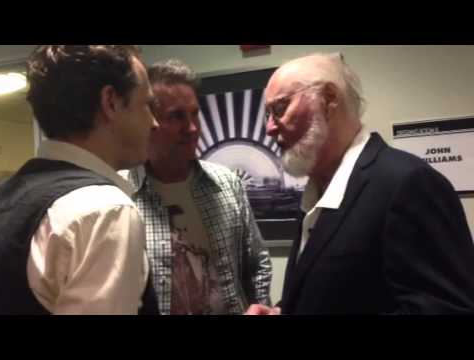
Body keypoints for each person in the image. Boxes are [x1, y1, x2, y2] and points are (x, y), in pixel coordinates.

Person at [247, 52, 474, 314]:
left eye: (279, 109)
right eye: (268, 114)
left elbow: (448, 309)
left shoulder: (408, 184)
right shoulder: (317, 189)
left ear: (329, 99)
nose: (269, 128)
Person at [0, 45, 159, 315]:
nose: (154, 123)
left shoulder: (4, 197)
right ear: (111, 102)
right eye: (146, 105)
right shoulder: (103, 211)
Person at [124, 59, 272, 315]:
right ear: (149, 121)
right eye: (177, 116)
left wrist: (261, 307)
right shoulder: (121, 194)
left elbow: (257, 262)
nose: (192, 128)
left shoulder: (226, 183)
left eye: (195, 113)